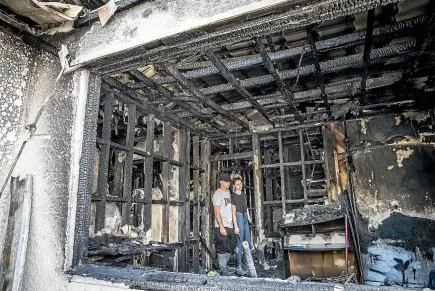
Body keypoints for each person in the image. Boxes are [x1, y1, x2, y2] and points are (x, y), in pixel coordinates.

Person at [212, 172, 236, 275]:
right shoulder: (217, 194)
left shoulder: (228, 193)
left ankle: (224, 266)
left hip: (229, 224)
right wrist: (221, 226)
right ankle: (222, 268)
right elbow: (216, 211)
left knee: (232, 244)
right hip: (221, 225)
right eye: (226, 182)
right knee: (221, 246)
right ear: (221, 182)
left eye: (229, 182)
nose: (228, 184)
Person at [231, 175, 253, 275]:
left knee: (247, 242)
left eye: (240, 184)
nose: (239, 186)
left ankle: (246, 264)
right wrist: (235, 226)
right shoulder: (233, 196)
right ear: (234, 185)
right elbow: (233, 212)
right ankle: (239, 266)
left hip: (244, 217)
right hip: (238, 217)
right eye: (237, 185)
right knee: (239, 242)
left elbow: (246, 207)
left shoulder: (244, 194)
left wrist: (249, 218)